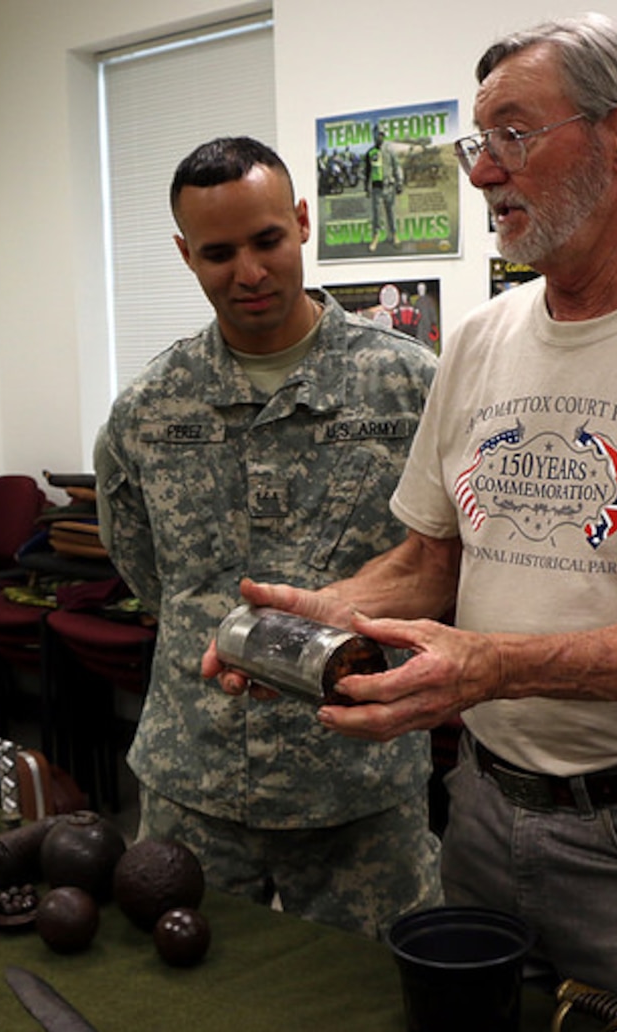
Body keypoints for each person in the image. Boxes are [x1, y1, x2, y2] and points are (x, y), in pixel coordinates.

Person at [207, 14, 617, 1032]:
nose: (482, 174)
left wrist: (490, 666)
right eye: (475, 145)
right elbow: (428, 562)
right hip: (486, 812)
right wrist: (327, 616)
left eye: (512, 137)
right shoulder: (482, 343)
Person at [94, 136, 441, 938]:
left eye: (266, 241)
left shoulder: (412, 385)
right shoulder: (151, 407)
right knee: (191, 1015)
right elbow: (144, 569)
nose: (248, 273)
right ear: (185, 255)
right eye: (218, 253)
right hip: (197, 778)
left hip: (357, 781)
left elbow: (449, 560)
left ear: (304, 223)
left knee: (374, 1019)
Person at [364, 126, 402, 251]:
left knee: (390, 212)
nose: (380, 137)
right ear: (374, 135)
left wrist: (399, 182)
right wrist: (366, 187)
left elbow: (397, 166)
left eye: (382, 134)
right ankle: (376, 237)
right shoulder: (370, 152)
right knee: (377, 215)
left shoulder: (390, 150)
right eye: (377, 134)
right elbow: (367, 172)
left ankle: (394, 234)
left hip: (389, 186)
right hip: (376, 188)